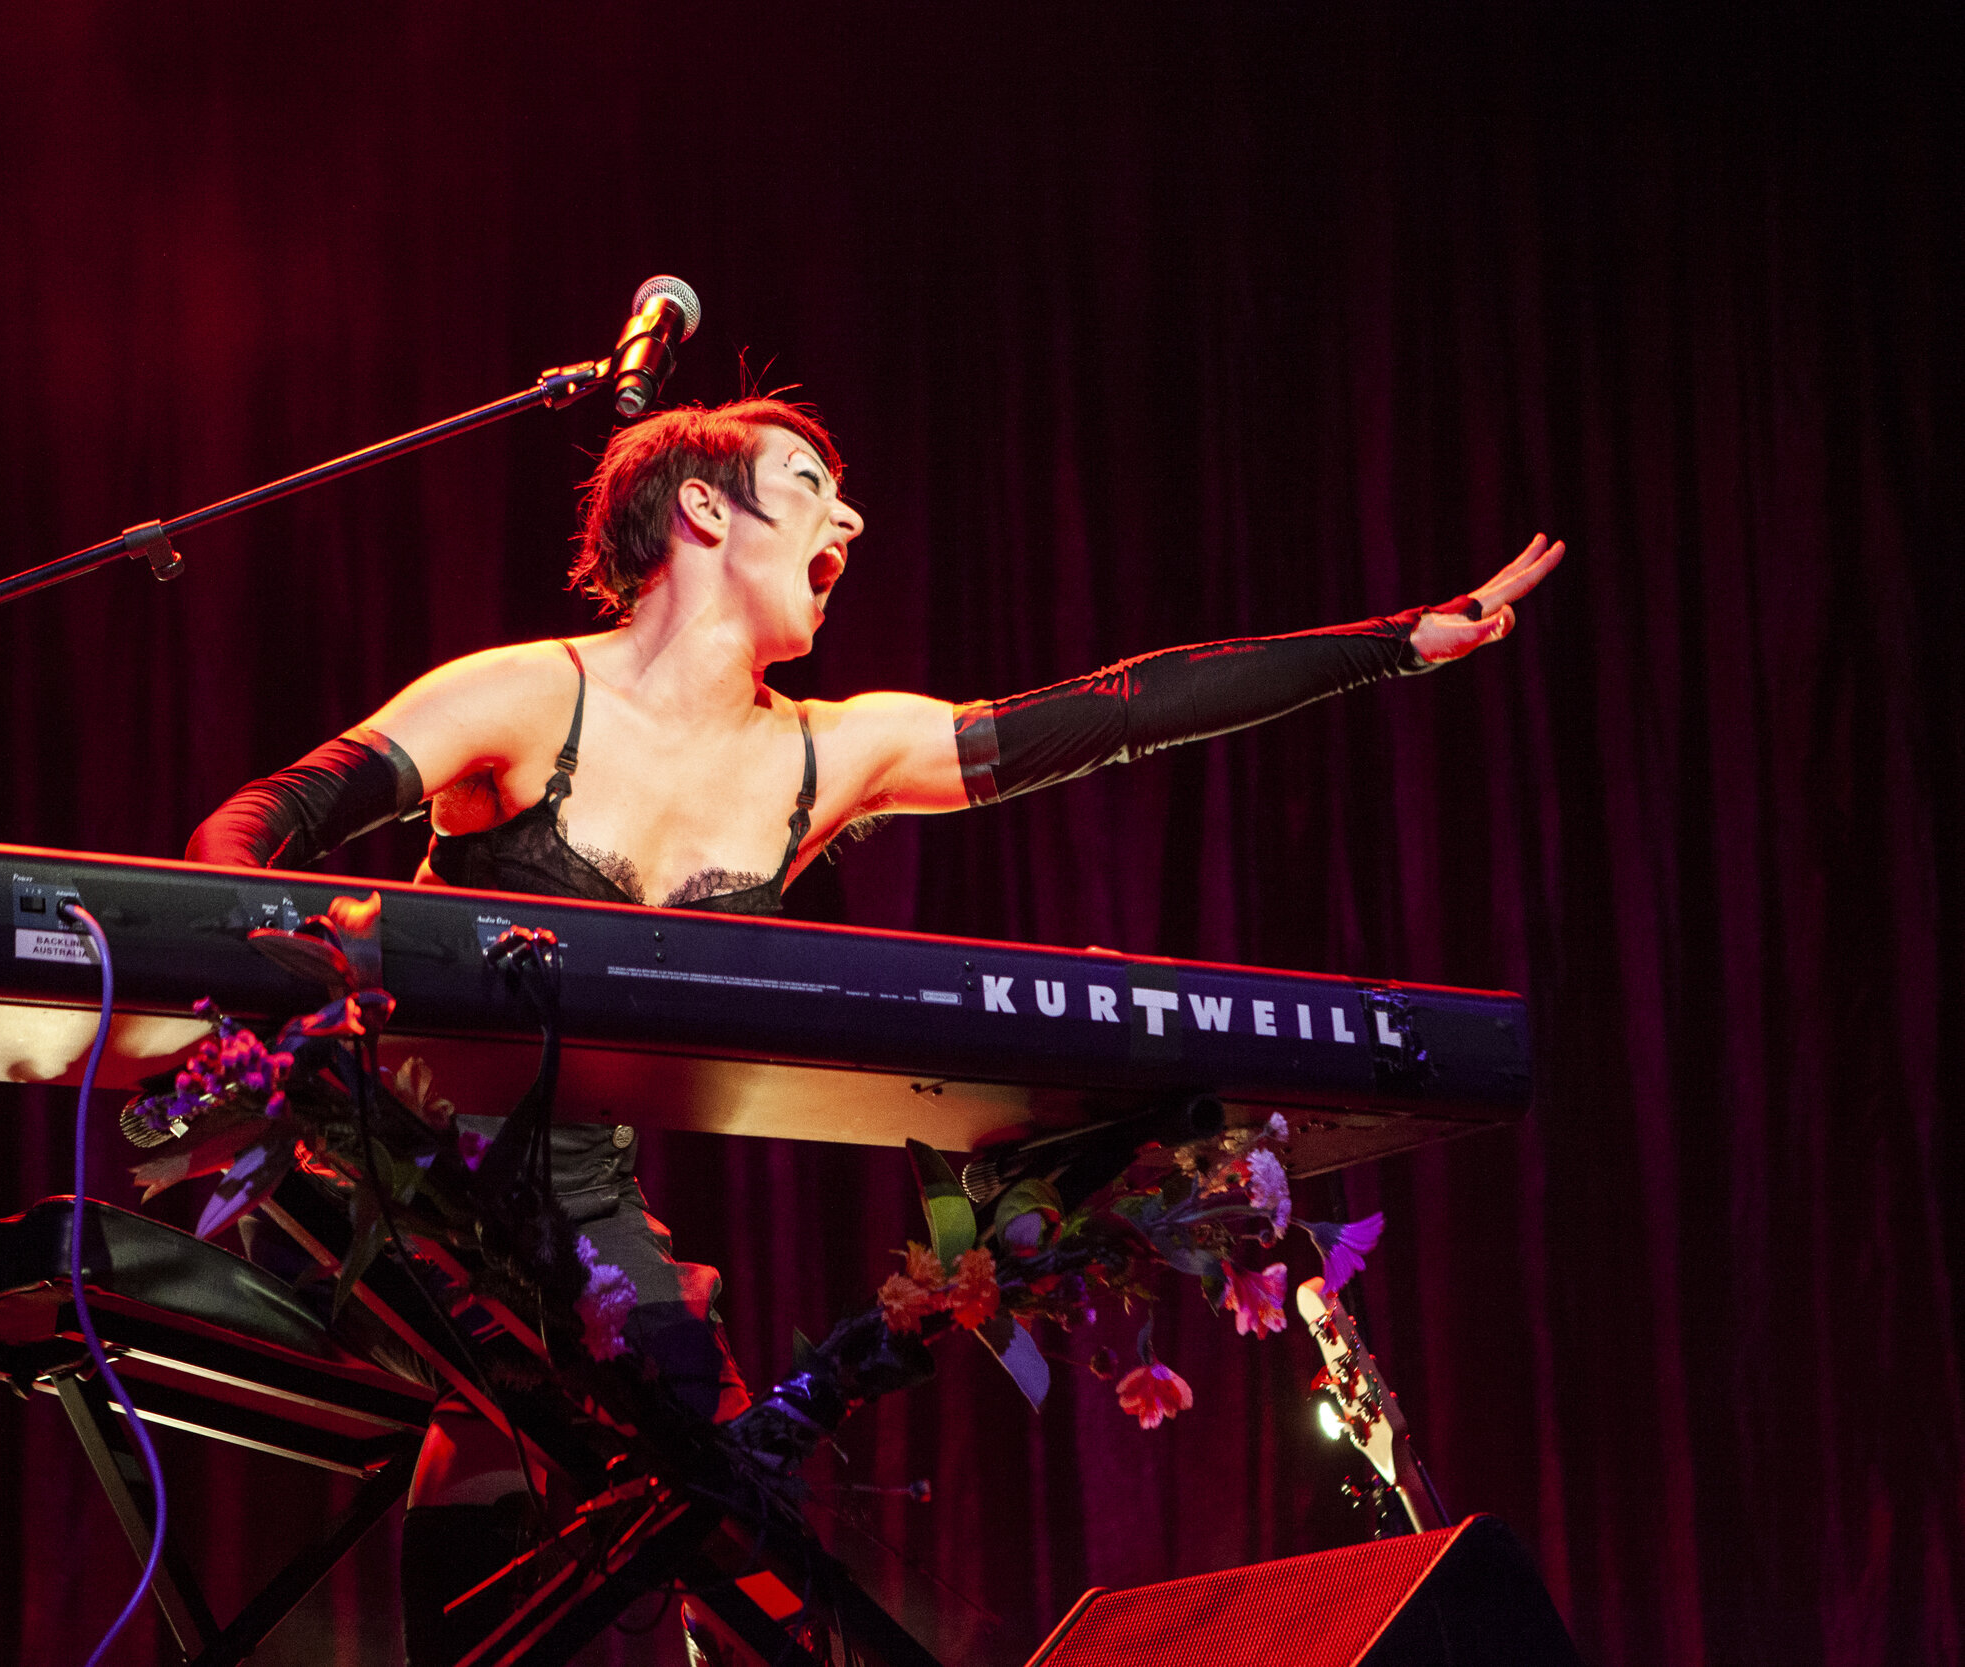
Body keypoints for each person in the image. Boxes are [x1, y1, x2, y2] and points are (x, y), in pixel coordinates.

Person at [185, 396, 1562, 1660]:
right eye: (810, 486)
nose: (848, 521)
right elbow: (260, 824)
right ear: (706, 512)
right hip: (377, 1173)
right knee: (506, 1386)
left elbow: (1114, 715)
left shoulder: (830, 752)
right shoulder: (527, 694)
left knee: (723, 1497)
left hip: (582, 1212)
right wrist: (275, 952)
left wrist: (1398, 646)